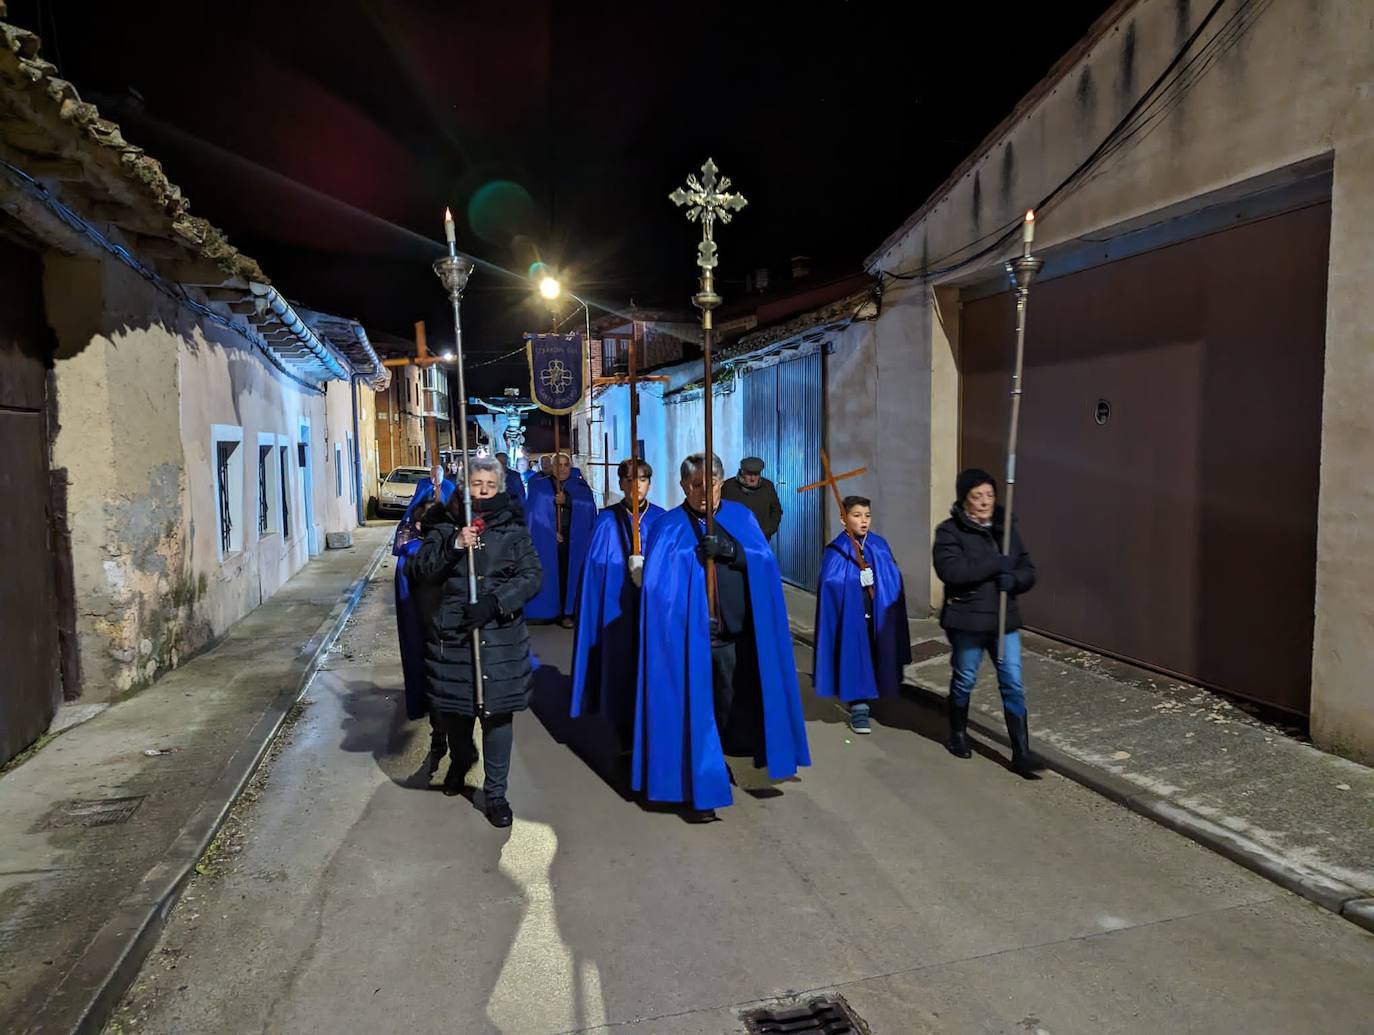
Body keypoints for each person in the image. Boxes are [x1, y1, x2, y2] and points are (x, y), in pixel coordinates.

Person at [635, 452, 810, 818]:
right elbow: (658, 590)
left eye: (711, 483)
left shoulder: (739, 517)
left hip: (733, 635)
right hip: (689, 641)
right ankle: (702, 788)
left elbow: (764, 562)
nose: (704, 491)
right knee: (698, 710)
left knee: (727, 707)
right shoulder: (668, 528)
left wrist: (731, 551)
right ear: (684, 485)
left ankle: (724, 759)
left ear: (721, 482)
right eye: (696, 484)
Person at [408, 457, 543, 826]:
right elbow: (419, 568)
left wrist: (495, 603)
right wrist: (454, 543)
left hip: (499, 636)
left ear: (499, 488)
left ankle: (496, 793)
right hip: (454, 637)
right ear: (464, 487)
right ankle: (461, 759)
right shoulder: (443, 523)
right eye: (476, 484)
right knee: (456, 713)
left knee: (497, 717)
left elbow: (532, 576)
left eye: (490, 484)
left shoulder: (513, 528)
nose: (483, 490)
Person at [932, 468, 1042, 777]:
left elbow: (1028, 568)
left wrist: (1015, 578)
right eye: (977, 496)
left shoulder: (1006, 529)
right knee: (966, 678)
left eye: (989, 495)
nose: (984, 502)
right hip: (968, 622)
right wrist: (996, 564)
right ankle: (957, 735)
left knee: (1013, 683)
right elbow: (951, 571)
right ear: (964, 500)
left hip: (1004, 622)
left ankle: (1021, 752)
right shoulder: (950, 532)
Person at [570, 459, 665, 748]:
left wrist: (649, 571)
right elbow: (595, 569)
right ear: (621, 483)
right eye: (630, 479)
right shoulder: (606, 521)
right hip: (616, 611)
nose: (636, 485)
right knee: (621, 668)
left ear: (650, 483)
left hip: (652, 609)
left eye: (643, 479)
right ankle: (624, 732)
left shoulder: (662, 519)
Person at [812, 495, 911, 735]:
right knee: (855, 654)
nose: (863, 521)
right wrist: (854, 579)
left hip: (877, 609)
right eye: (856, 516)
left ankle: (877, 690)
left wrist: (881, 580)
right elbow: (829, 582)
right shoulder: (836, 549)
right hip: (851, 613)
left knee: (877, 651)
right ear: (843, 518)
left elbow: (893, 575)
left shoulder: (879, 545)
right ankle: (859, 706)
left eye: (867, 515)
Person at [393, 464, 456, 777]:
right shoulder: (413, 549)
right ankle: (438, 733)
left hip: (451, 623)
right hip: (426, 619)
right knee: (432, 673)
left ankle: (452, 735)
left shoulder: (451, 543)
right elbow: (408, 551)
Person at [525, 451, 597, 627]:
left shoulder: (580, 486)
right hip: (549, 538)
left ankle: (568, 612)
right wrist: (550, 532)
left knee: (569, 575)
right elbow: (534, 515)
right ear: (552, 467)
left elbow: (589, 509)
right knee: (551, 574)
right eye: (559, 464)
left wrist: (568, 500)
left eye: (566, 465)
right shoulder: (539, 486)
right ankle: (548, 610)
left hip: (574, 538)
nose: (562, 468)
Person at [720, 457, 783, 540]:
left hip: (760, 539)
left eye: (756, 474)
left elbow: (776, 511)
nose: (753, 478)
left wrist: (767, 531)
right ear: (741, 472)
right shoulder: (728, 487)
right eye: (749, 474)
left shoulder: (768, 487)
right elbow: (719, 512)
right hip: (734, 540)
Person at [495, 451, 527, 521]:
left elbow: (521, 495)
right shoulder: (489, 476)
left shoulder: (515, 476)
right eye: (499, 463)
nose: (502, 465)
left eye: (504, 463)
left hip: (513, 511)